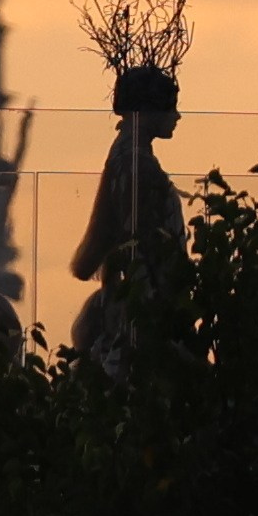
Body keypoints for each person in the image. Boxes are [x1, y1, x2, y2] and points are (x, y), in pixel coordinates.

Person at [69, 63, 187, 360]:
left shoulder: (125, 156)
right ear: (149, 110)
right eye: (169, 107)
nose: (176, 116)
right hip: (142, 316)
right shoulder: (137, 164)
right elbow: (144, 246)